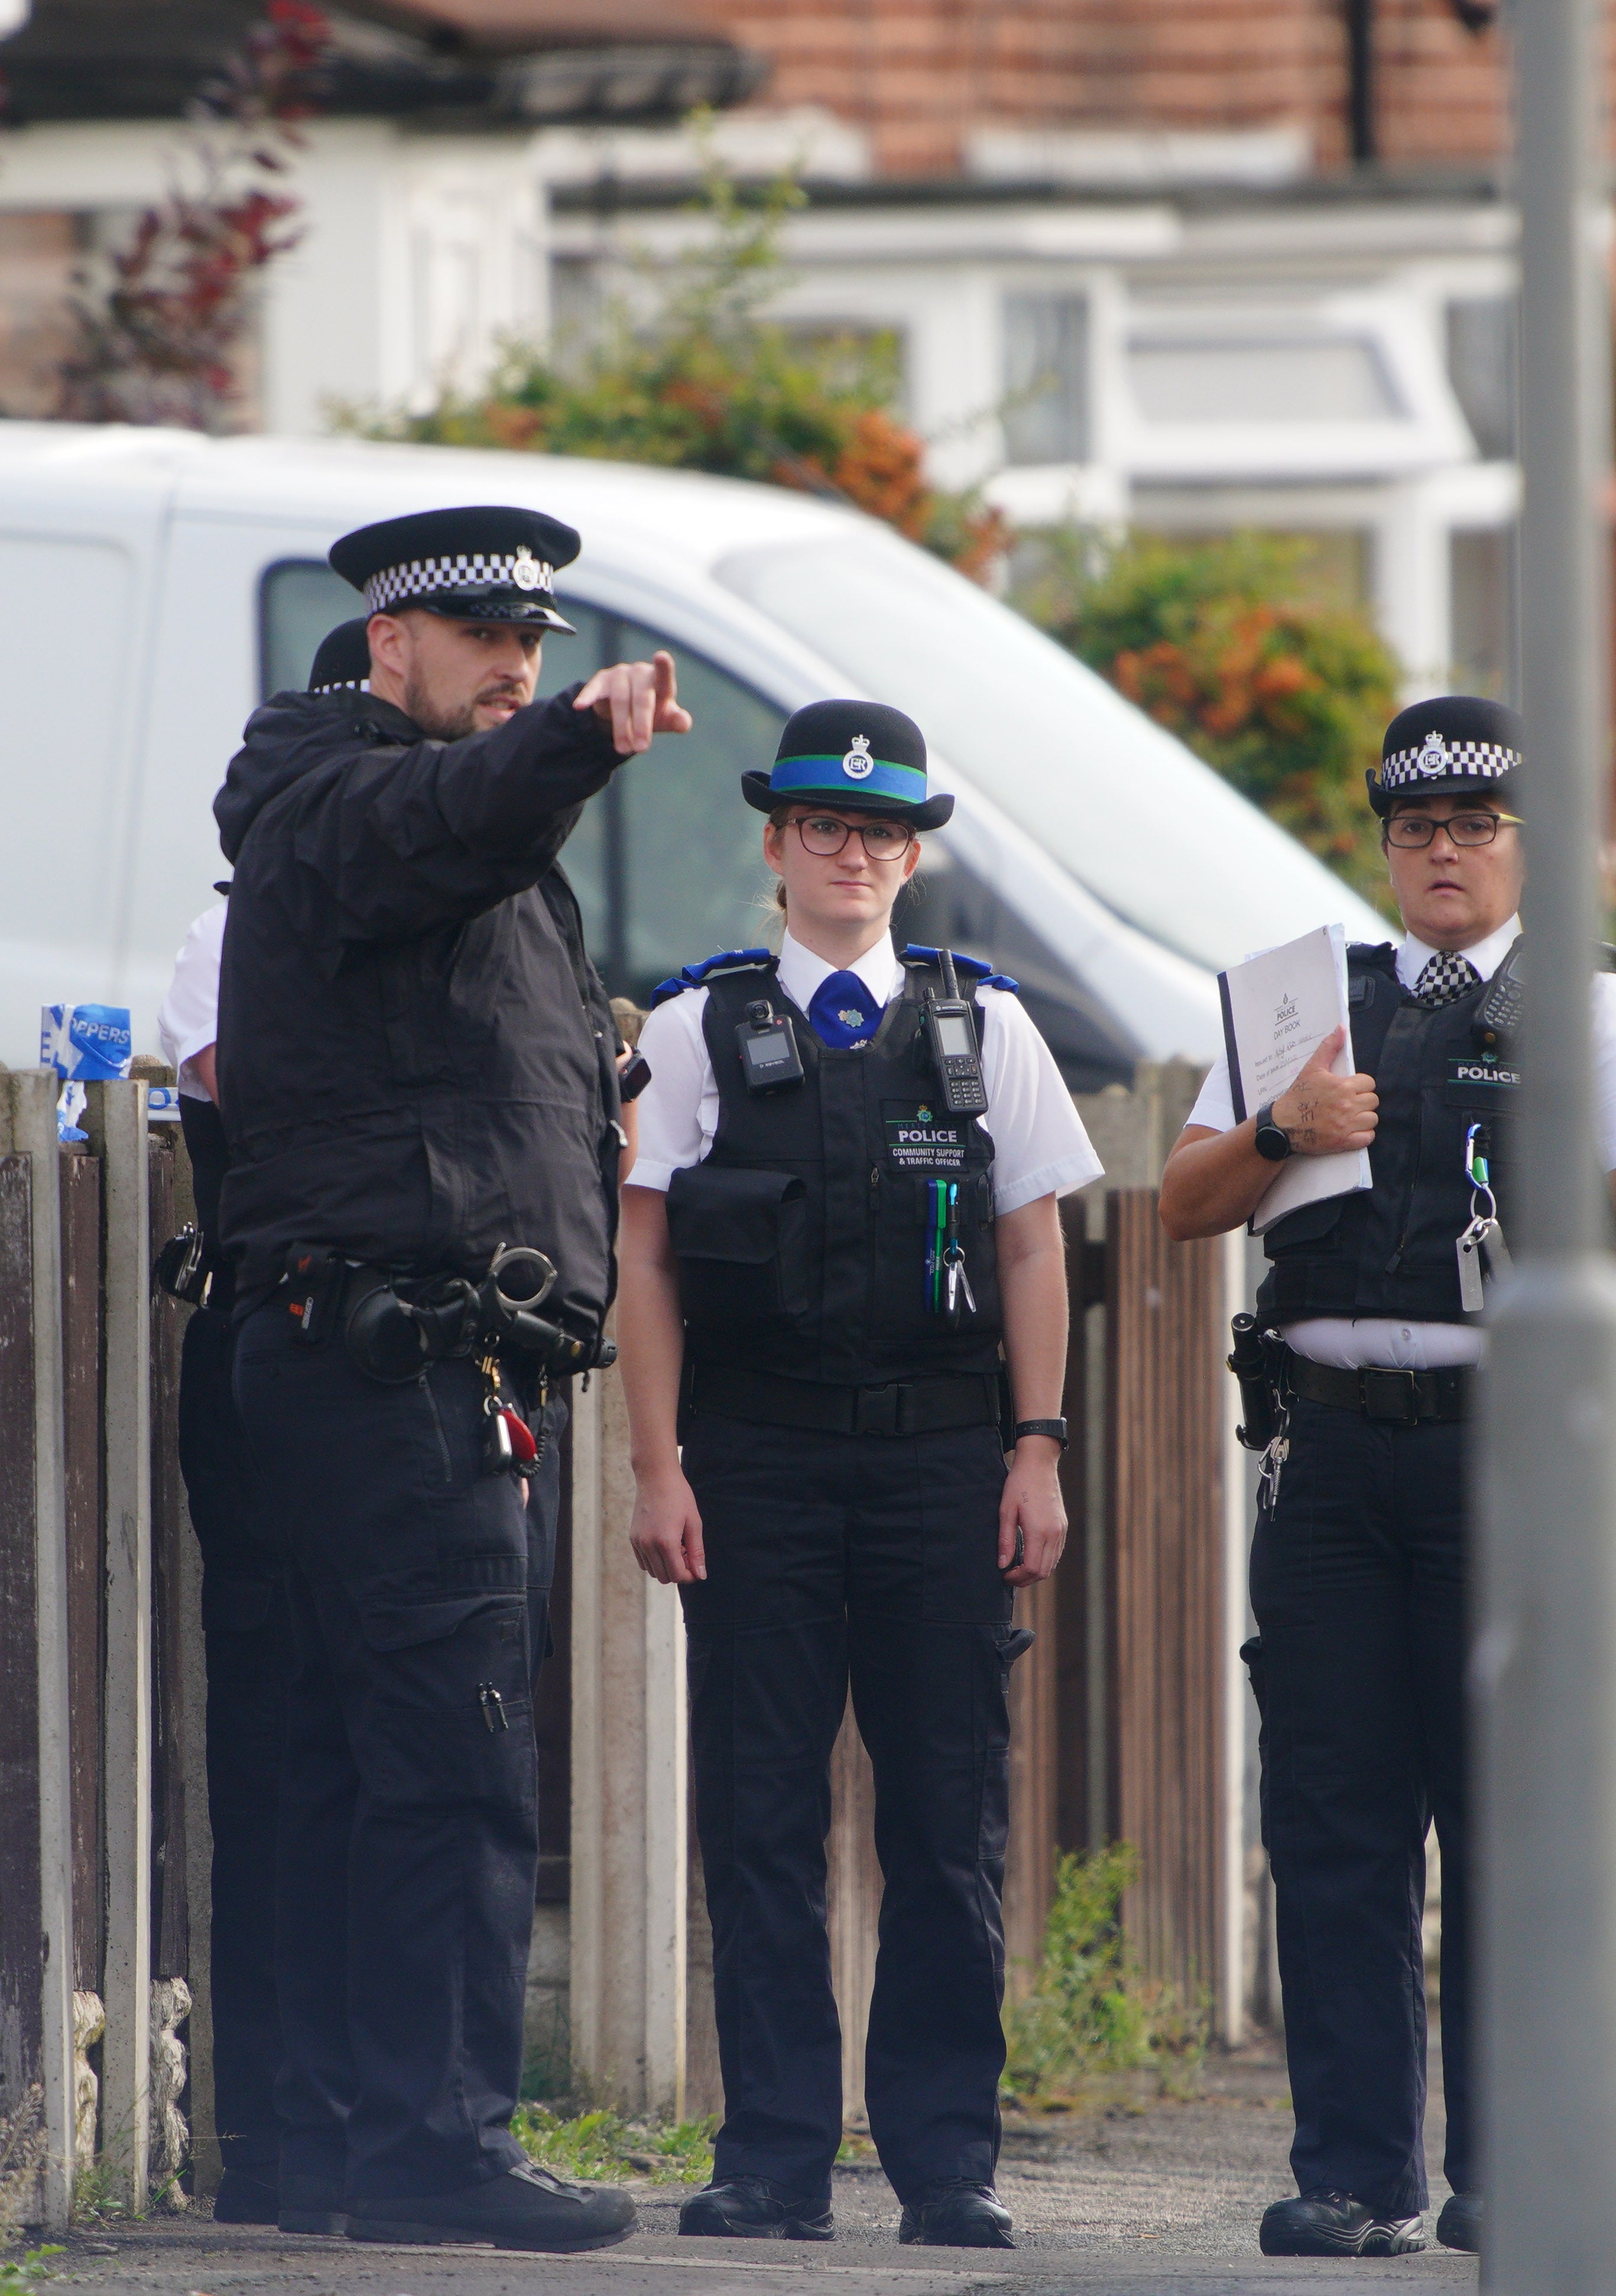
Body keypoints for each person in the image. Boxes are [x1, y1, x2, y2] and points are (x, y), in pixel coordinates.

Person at [1157, 695, 1616, 2261]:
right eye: (1416, 829)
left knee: (1505, 1821)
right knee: (1333, 1820)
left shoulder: (1602, 1018)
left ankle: (1507, 2166)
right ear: (1383, 847)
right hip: (1325, 1458)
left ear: (1531, 847)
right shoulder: (1299, 1004)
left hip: (1508, 1464)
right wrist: (1285, 1122)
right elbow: (1187, 1199)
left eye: (1473, 827)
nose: (1442, 853)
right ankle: (1354, 2170)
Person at [210, 504, 690, 2253]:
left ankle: (325, 2140)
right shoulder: (342, 797)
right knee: (450, 1767)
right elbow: (455, 818)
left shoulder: (398, 823)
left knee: (352, 1764)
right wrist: (571, 742)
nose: (516, 665)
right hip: (395, 1364)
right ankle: (434, 2144)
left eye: (538, 645)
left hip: (402, 1360)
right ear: (385, 643)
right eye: (482, 637)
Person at [615, 701, 1101, 2249]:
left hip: (939, 1465)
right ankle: (770, 2153)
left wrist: (1038, 1446)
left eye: (882, 830)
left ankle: (946, 2157)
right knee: (758, 1819)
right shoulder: (694, 1027)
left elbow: (1033, 1243)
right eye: (824, 825)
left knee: (946, 1824)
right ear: (776, 844)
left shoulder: (985, 1025)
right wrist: (655, 1466)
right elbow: (644, 1258)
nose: (853, 853)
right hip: (753, 1460)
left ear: (912, 853)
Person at [154, 614, 371, 2226]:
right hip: (280, 1346)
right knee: (289, 1746)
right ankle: (280, 2136)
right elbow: (264, 1091)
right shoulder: (224, 932)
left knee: (414, 1758)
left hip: (428, 1365)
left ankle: (389, 2108)